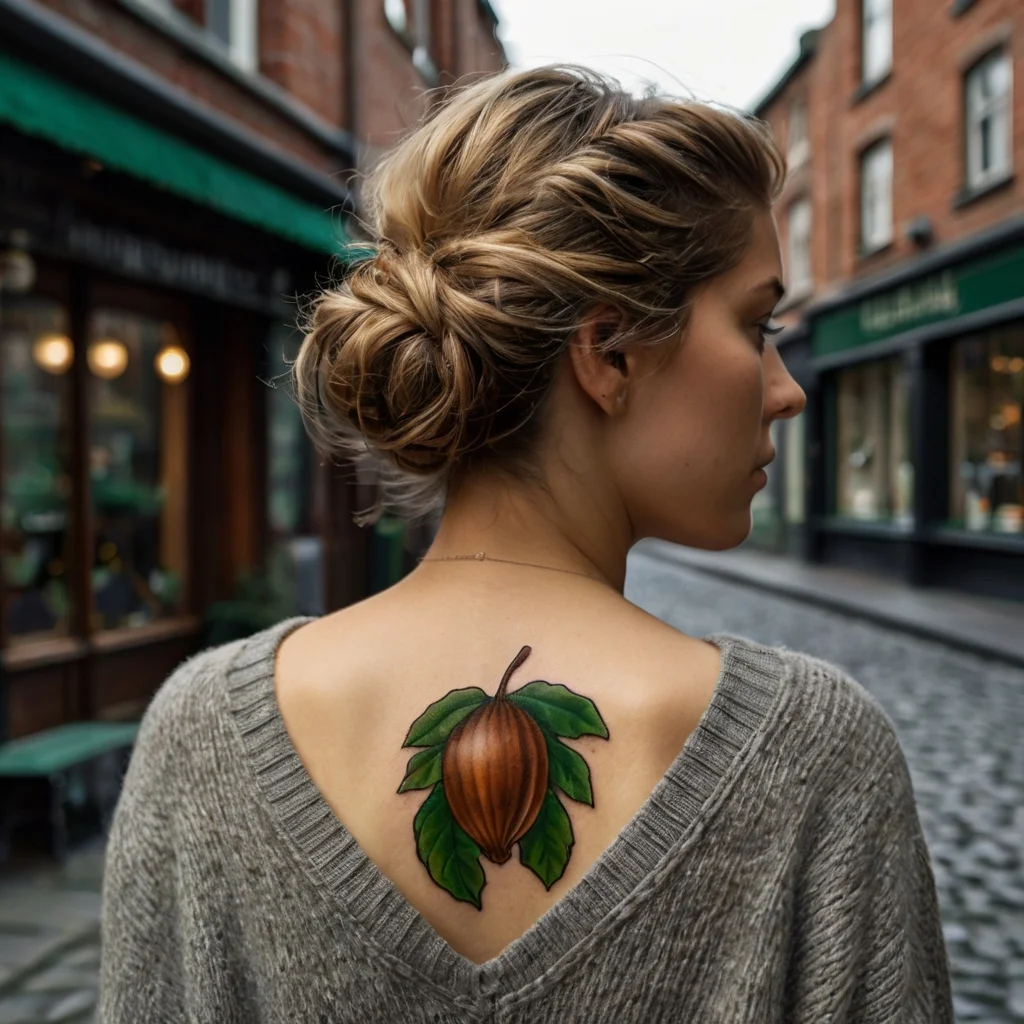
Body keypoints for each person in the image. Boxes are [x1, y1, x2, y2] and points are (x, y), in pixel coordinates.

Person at [98, 65, 954, 1022]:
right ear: (610, 352)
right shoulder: (817, 759)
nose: (788, 387)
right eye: (757, 325)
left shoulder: (200, 733)